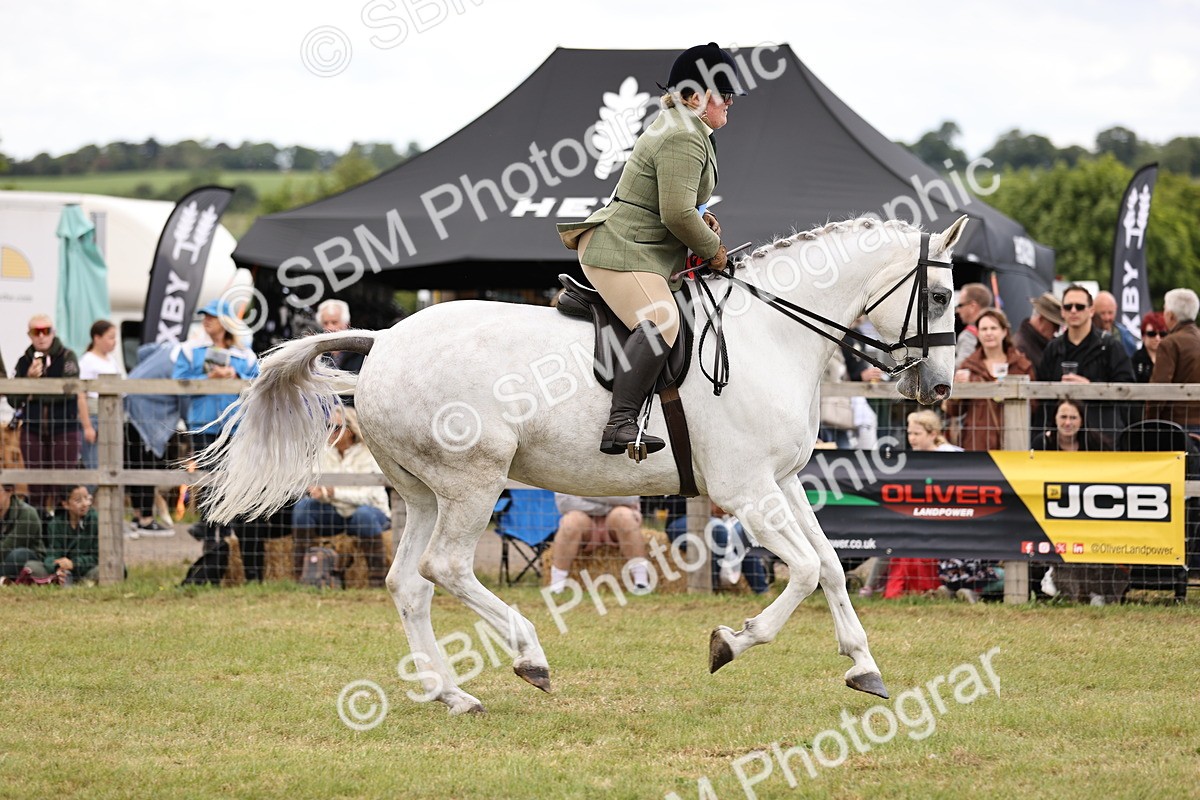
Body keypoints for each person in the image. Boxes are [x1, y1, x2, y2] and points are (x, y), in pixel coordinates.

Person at [556, 43, 744, 457]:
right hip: (621, 250)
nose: (731, 101)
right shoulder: (681, 134)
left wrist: (703, 219)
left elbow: (681, 206)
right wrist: (713, 249)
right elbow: (676, 215)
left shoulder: (688, 129)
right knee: (660, 319)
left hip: (643, 250)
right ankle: (619, 423)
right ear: (695, 96)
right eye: (723, 93)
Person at [173, 300, 259, 557]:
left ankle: (226, 532)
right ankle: (210, 536)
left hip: (234, 428)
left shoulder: (245, 354)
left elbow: (257, 383)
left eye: (211, 317)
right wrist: (207, 379)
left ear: (226, 322)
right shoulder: (191, 350)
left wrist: (234, 378)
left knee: (230, 480)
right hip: (203, 425)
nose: (206, 321)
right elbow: (179, 380)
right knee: (207, 480)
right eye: (204, 317)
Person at [291, 407, 391, 586]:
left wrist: (333, 492)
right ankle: (303, 576)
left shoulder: (370, 454)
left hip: (370, 513)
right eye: (327, 426)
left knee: (364, 515)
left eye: (335, 427)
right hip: (335, 511)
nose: (329, 431)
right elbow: (315, 482)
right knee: (303, 508)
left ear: (350, 430)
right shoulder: (323, 452)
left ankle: (378, 581)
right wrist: (316, 491)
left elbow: (369, 497)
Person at [876, 411, 961, 599]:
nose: (911, 439)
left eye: (917, 434)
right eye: (909, 433)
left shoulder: (951, 455)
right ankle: (872, 587)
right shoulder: (908, 459)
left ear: (933, 434)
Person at [8, 314, 86, 514]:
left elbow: (68, 391)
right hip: (33, 429)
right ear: (29, 335)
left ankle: (62, 531)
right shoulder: (23, 361)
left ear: (53, 332)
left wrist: (33, 390)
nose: (41, 336)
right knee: (36, 485)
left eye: (46, 331)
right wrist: (28, 380)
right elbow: (13, 400)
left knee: (63, 485)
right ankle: (39, 531)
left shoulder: (68, 356)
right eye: (36, 332)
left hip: (64, 429)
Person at [1035, 284, 1135, 440]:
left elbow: (1127, 388)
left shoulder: (1110, 347)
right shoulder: (1053, 348)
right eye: (1068, 307)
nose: (1073, 311)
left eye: (1080, 306)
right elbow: (1041, 392)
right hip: (1062, 437)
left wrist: (1090, 387)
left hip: (1102, 434)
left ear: (1091, 311)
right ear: (1062, 311)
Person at [943, 308, 1034, 451]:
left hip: (1014, 440)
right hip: (976, 442)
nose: (989, 333)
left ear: (1004, 331)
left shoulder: (1021, 365)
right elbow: (954, 411)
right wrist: (957, 393)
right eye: (984, 329)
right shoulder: (968, 366)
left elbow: (1034, 405)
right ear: (978, 333)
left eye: (993, 328)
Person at [548, 494, 649, 593]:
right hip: (585, 519)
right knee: (570, 522)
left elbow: (629, 498)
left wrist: (583, 494)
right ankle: (557, 585)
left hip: (614, 518)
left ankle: (641, 582)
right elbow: (564, 503)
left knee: (624, 516)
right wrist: (609, 504)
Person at [77, 319, 125, 485]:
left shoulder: (111, 360)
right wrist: (87, 425)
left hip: (112, 416)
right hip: (94, 415)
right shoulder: (87, 361)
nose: (114, 342)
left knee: (112, 463)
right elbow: (80, 394)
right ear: (97, 338)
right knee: (93, 463)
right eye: (110, 337)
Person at [1147, 288, 1200, 434]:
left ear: (1170, 315)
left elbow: (1160, 387)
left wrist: (1149, 421)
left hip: (1177, 423)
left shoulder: (1170, 343)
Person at [42, 485, 99, 583]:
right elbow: (52, 555)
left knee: (108, 570)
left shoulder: (95, 520)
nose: (85, 504)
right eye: (78, 500)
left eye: (87, 498)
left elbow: (98, 557)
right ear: (65, 504)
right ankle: (64, 578)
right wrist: (58, 567)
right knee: (33, 566)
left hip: (88, 568)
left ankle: (80, 581)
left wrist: (74, 563)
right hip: (64, 569)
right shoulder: (55, 524)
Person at [317, 299, 365, 406]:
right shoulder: (318, 356)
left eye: (334, 322)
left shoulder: (360, 354)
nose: (330, 328)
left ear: (346, 325)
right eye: (325, 323)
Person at [0, 483, 45, 580]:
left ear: (10, 491)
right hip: (4, 563)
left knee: (18, 555)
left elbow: (6, 548)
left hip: (31, 562)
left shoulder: (27, 514)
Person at [1032, 397, 1109, 452]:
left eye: (1073, 418)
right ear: (1055, 419)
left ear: (1082, 421)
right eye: (1063, 417)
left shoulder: (1096, 444)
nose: (1067, 423)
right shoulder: (1042, 442)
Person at [1013, 292, 1063, 371]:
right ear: (1041, 319)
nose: (1057, 330)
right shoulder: (1021, 347)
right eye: (1055, 325)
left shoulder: (1044, 344)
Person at [953, 283, 993, 367]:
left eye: (960, 305)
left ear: (972, 306)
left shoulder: (968, 335)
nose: (957, 310)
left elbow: (961, 366)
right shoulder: (1000, 329)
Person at [1093, 290, 1139, 357]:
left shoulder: (1124, 335)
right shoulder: (1086, 333)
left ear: (1116, 309)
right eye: (1102, 313)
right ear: (1093, 311)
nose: (1107, 318)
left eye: (1110, 313)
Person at [1132, 311, 1167, 383]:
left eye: (1162, 334)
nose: (1157, 338)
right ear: (1143, 336)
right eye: (1152, 334)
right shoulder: (1135, 360)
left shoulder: (1170, 358)